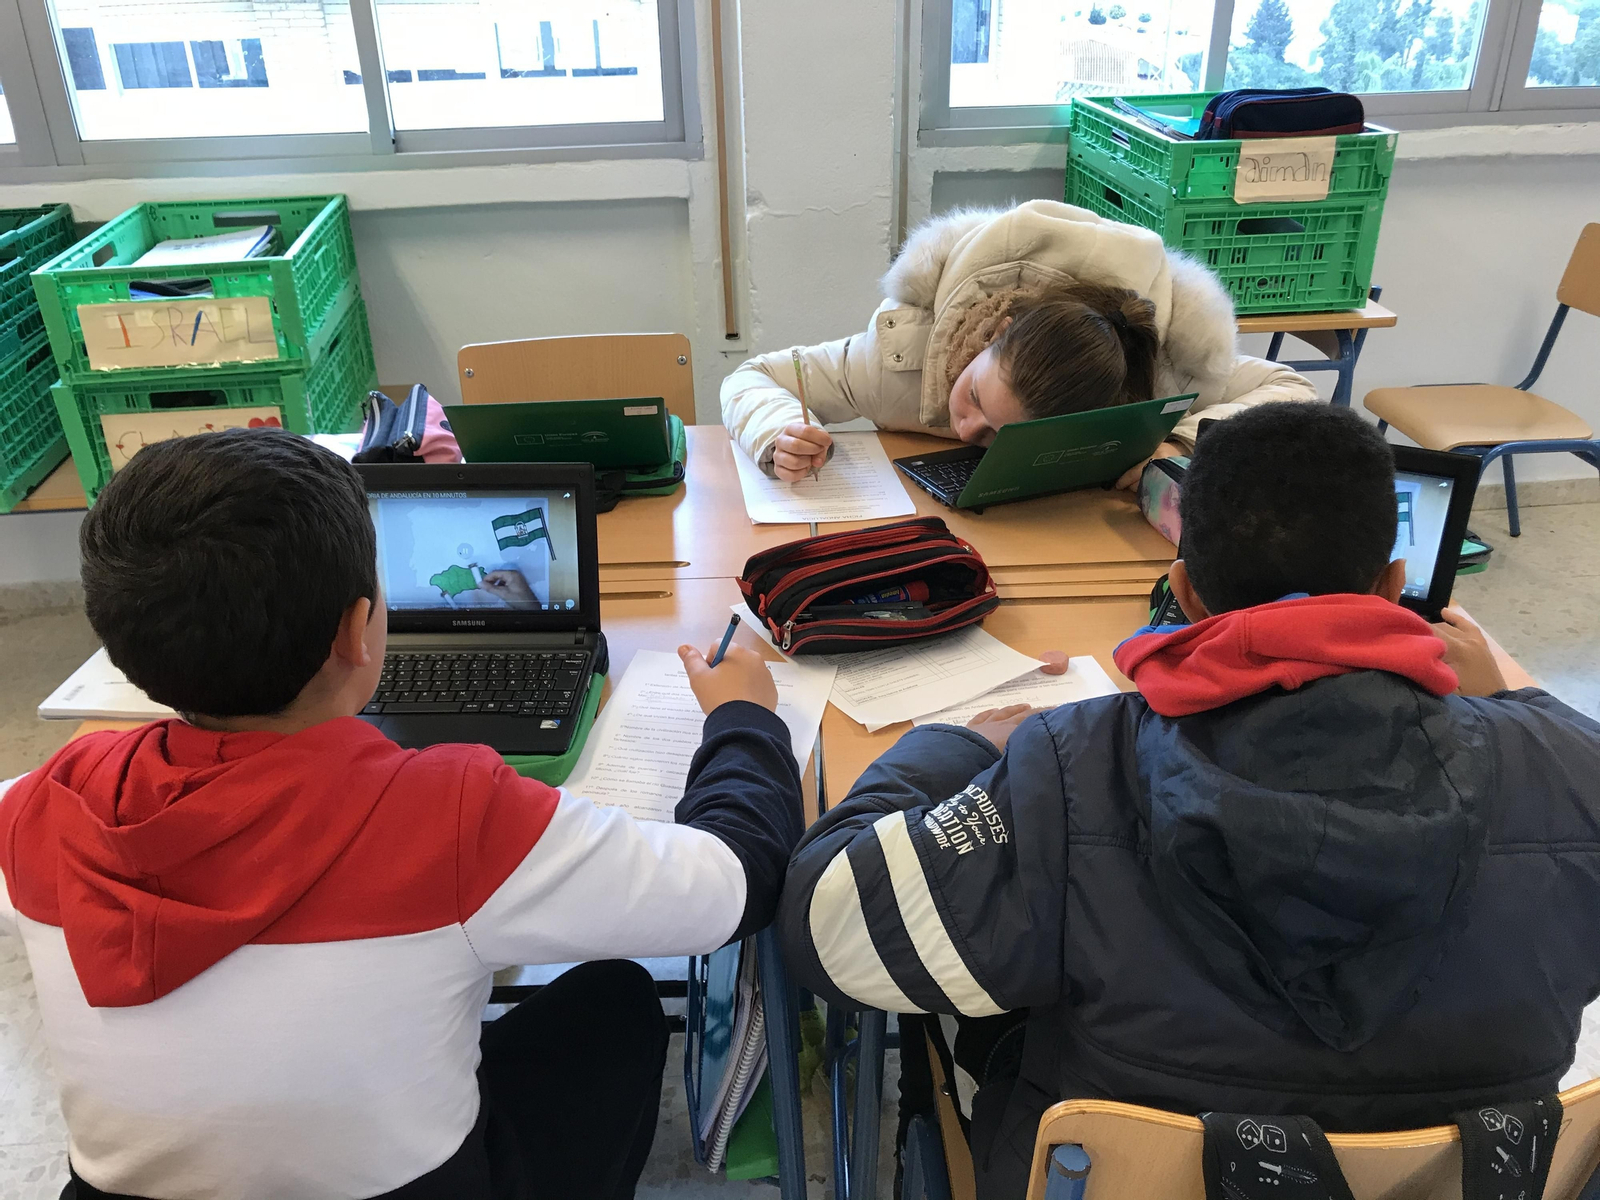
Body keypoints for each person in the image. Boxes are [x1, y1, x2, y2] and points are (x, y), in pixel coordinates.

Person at [776, 403, 1600, 1199]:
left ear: (1186, 593)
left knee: (961, 954)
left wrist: (957, 744)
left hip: (1098, 1181)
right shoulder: (1569, 772)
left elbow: (828, 926)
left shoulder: (1074, 766)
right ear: (1392, 584)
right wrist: (1523, 709)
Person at [0, 428, 803, 1200]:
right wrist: (743, 717)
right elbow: (736, 882)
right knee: (617, 999)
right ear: (358, 630)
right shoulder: (451, 818)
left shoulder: (40, 808)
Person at [722, 199, 1317, 484]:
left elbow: (1290, 389)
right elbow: (753, 376)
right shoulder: (901, 356)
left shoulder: (1155, 371)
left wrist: (1178, 441)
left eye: (1003, 437)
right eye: (975, 397)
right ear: (998, 333)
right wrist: (777, 433)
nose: (966, 431)